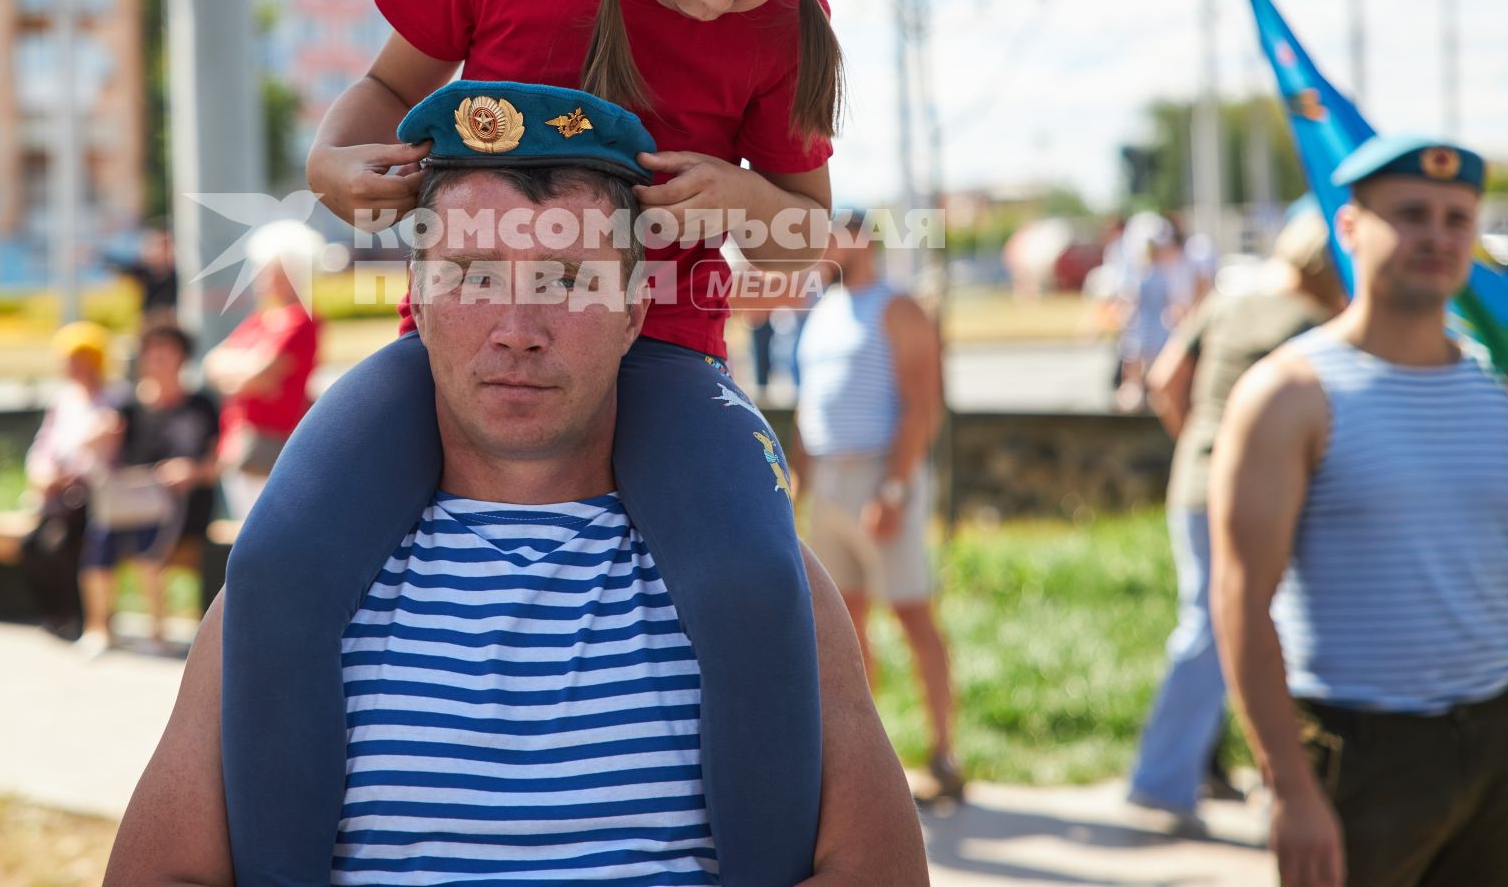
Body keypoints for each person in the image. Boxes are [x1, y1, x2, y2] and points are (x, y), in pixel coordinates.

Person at [230, 0, 878, 867]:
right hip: (455, 345)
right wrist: (335, 165)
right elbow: (385, 88)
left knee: (748, 574)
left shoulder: (785, 32)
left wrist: (734, 194)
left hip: (664, 356)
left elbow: (808, 236)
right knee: (277, 557)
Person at [108, 88, 928, 885]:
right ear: (418, 302)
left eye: (567, 279)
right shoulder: (287, 590)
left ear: (638, 309)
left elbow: (881, 871)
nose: (517, 329)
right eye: (471, 272)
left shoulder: (771, 584)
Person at [1212, 135, 1508, 887]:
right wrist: (1289, 786)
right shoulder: (1290, 393)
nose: (1437, 236)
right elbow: (1239, 601)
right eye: (1411, 214)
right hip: (1363, 750)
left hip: (1502, 736)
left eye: (1457, 218)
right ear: (1349, 228)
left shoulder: (1498, 388)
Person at [1126, 206, 1346, 828]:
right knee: (1222, 626)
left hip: (1193, 480)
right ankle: (1162, 778)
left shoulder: (1230, 299)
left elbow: (1167, 379)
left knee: (1217, 622)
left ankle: (1199, 767)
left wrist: (1199, 446)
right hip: (1257, 491)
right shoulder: (1313, 324)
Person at [793, 216, 964, 803]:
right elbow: (809, 407)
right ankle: (867, 761)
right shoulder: (820, 313)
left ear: (862, 241)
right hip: (830, 485)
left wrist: (892, 490)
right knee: (844, 628)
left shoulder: (898, 308)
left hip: (880, 479)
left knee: (914, 615)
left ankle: (945, 751)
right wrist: (798, 483)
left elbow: (923, 406)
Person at [79, 324, 219, 656]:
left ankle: (158, 629)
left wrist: (192, 471)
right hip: (133, 500)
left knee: (147, 544)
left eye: (167, 352)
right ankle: (97, 627)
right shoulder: (126, 406)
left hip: (183, 505)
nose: (158, 360)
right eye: (151, 353)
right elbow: (91, 447)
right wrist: (102, 435)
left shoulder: (201, 405)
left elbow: (218, 462)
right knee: (100, 540)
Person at [204, 227, 321, 521]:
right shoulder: (261, 320)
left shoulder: (300, 321)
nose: (260, 277)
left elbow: (255, 376)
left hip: (274, 444)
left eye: (269, 271)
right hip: (239, 443)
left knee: (269, 532)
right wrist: (247, 373)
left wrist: (241, 373)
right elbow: (212, 365)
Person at [20, 321, 121, 641]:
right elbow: (44, 446)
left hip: (95, 493)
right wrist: (42, 473)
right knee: (32, 546)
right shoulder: (63, 400)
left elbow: (108, 451)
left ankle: (81, 616)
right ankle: (55, 614)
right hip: (60, 494)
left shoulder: (116, 400)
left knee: (64, 545)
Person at [1114, 216, 1193, 410]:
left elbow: (1172, 298)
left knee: (1152, 356)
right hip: (1143, 321)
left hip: (1155, 321)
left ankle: (1150, 389)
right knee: (1135, 355)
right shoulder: (1141, 272)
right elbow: (1130, 296)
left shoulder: (1161, 272)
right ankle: (1135, 388)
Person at [112, 221, 180, 333]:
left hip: (173, 322)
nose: (162, 250)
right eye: (159, 245)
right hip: (151, 324)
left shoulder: (180, 274)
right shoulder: (144, 271)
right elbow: (119, 265)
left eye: (166, 246)